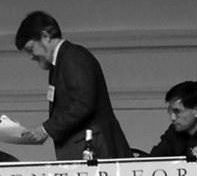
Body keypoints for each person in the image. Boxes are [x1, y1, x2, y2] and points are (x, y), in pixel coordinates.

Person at [14, 10, 133, 160]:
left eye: (31, 49)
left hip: (95, 150)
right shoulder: (61, 62)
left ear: (45, 36)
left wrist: (45, 129)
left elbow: (82, 103)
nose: (31, 57)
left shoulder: (72, 56)